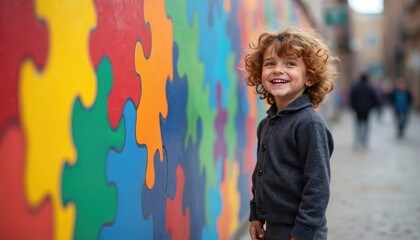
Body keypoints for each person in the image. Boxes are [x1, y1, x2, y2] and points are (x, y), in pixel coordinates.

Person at [243, 27, 338, 240]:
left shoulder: (309, 124)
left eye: (290, 63)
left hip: (301, 231)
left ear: (310, 78)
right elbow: (261, 172)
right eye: (270, 64)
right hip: (275, 228)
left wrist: (302, 232)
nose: (278, 70)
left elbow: (318, 186)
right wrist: (256, 215)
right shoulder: (266, 124)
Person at [349, 73, 378, 148]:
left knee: (358, 125)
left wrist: (353, 107)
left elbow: (352, 98)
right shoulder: (370, 87)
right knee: (366, 125)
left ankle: (358, 140)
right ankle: (364, 141)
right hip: (367, 110)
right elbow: (374, 99)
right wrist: (371, 107)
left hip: (358, 109)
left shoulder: (356, 87)